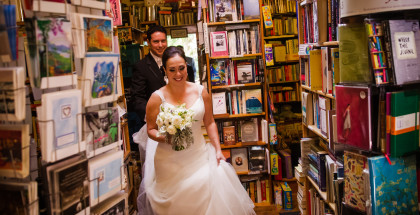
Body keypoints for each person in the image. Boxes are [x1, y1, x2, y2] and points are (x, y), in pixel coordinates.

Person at [137, 46, 256, 214]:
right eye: (172, 70)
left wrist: (218, 150)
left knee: (206, 198)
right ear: (164, 70)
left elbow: (210, 123)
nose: (178, 74)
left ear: (187, 66)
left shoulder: (201, 91)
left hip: (198, 156)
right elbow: (151, 130)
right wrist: (166, 136)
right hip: (169, 162)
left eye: (181, 68)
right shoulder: (157, 98)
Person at [129, 25, 168, 152]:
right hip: (153, 125)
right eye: (156, 41)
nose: (160, 45)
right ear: (148, 43)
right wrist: (153, 119)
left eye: (163, 41)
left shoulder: (174, 61)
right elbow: (137, 98)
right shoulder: (141, 67)